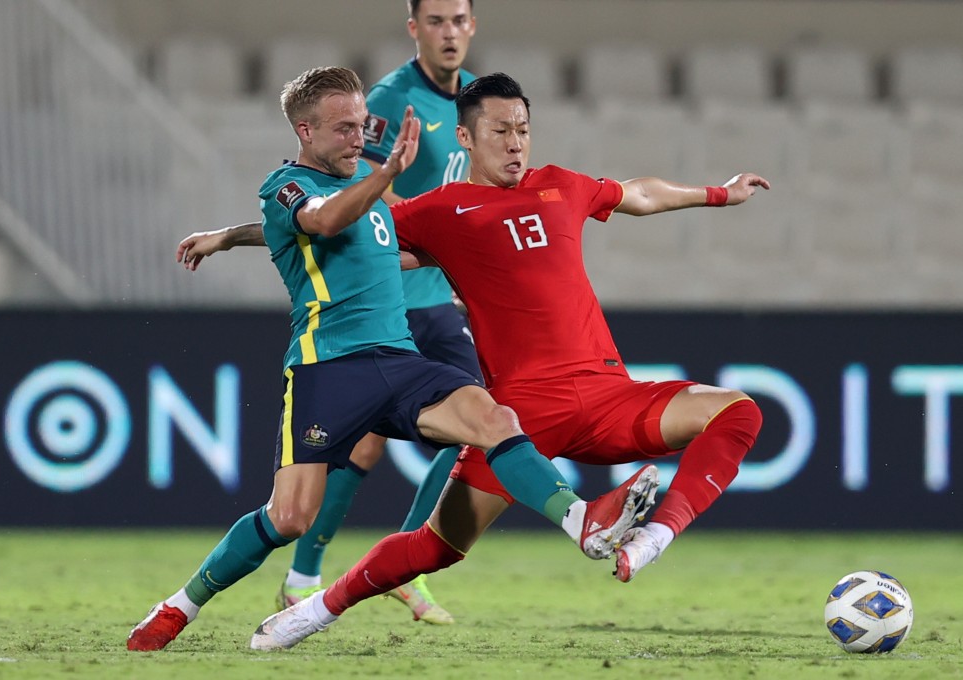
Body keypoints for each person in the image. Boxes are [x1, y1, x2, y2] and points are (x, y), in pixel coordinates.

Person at [181, 73, 769, 652]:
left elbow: (639, 193)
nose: (515, 143)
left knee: (739, 413)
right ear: (465, 139)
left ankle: (653, 539)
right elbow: (340, 235)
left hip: (610, 397)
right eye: (499, 132)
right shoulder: (439, 211)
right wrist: (232, 236)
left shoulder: (562, 185)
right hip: (522, 418)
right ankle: (312, 610)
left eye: (523, 130)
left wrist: (720, 192)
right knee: (435, 546)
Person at [178, 0, 480, 626]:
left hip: (425, 294)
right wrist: (426, 221)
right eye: (436, 21)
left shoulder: (477, 101)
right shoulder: (387, 102)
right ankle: (319, 574)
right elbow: (339, 209)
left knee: (478, 425)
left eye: (459, 20)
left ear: (472, 26)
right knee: (376, 451)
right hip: (388, 298)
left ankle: (385, 566)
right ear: (414, 29)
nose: (449, 32)